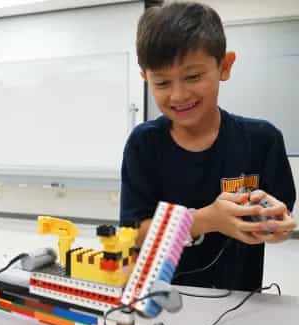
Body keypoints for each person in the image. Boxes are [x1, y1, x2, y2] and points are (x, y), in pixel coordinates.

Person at [120, 2, 296, 291]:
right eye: (162, 82)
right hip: (161, 297)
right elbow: (134, 234)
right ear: (146, 78)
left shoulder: (262, 139)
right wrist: (206, 219)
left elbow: (280, 218)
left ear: (224, 66)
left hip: (237, 298)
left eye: (193, 77)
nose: (178, 95)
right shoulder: (144, 143)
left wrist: (274, 226)